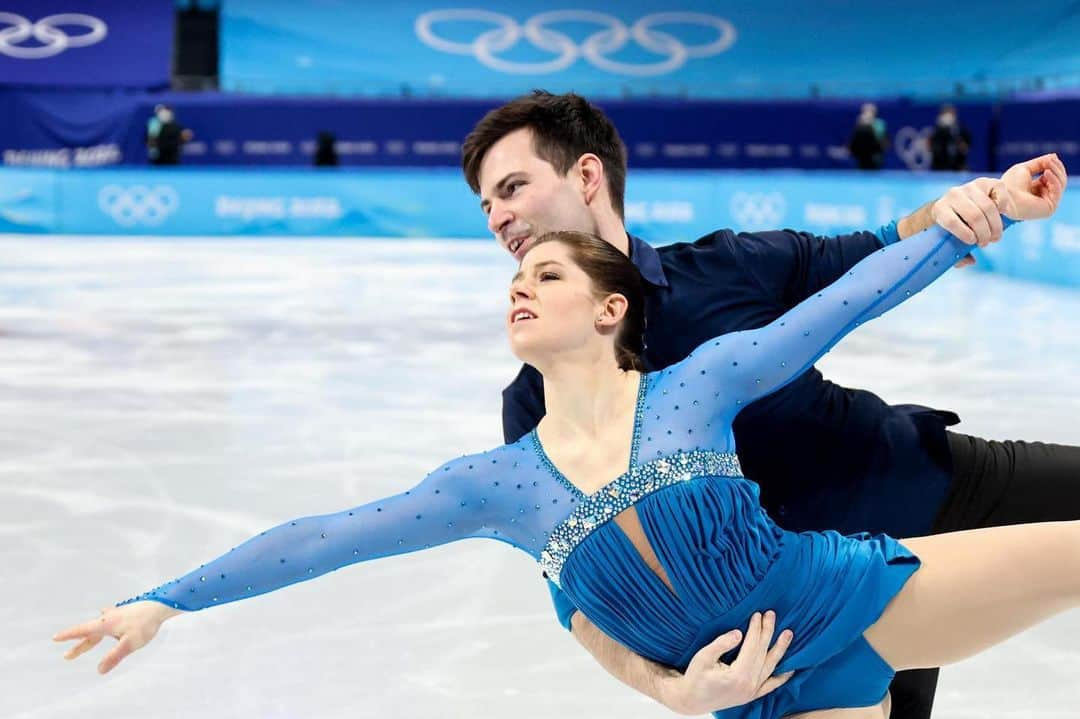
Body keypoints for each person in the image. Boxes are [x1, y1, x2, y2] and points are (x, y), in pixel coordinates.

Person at [56, 225, 1080, 719]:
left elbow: (842, 303)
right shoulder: (494, 481)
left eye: (545, 274)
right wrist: (163, 597)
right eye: (512, 279)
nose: (519, 289)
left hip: (847, 591)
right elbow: (322, 538)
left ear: (609, 309)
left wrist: (966, 217)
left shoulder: (696, 384)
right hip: (754, 689)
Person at [460, 91, 1072, 719]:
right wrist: (672, 690)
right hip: (810, 622)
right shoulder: (537, 402)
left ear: (587, 176)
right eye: (486, 205)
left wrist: (987, 203)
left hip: (926, 478)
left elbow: (884, 248)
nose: (496, 218)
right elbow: (578, 595)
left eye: (511, 188)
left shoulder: (727, 266)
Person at [929, 105, 972, 171]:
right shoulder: (936, 132)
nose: (948, 117)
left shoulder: (961, 130)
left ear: (954, 115)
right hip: (939, 168)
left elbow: (965, 149)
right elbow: (931, 148)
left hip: (957, 167)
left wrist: (956, 139)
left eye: (950, 113)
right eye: (945, 113)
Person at [847, 103, 888, 170]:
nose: (868, 113)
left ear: (874, 112)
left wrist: (869, 126)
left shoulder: (879, 124)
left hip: (875, 156)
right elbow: (855, 141)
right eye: (865, 111)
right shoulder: (860, 124)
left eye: (870, 111)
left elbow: (883, 141)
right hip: (862, 157)